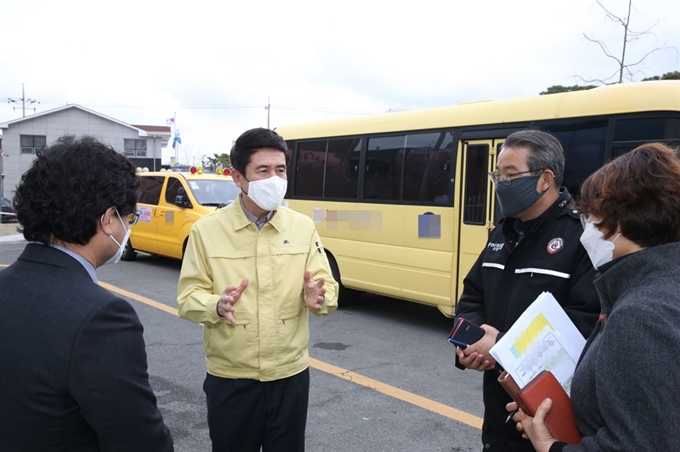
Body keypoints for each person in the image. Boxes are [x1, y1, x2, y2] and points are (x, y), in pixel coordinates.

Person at [0, 135, 173, 451]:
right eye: (128, 219)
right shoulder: (101, 317)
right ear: (109, 220)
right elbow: (139, 439)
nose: (127, 230)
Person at [509, 142, 680, 452]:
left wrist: (550, 446)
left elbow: (642, 443)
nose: (586, 228)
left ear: (621, 219)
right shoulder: (664, 285)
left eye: (590, 216)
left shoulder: (641, 315)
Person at [177, 127, 338, 452]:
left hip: (289, 376)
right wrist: (216, 305)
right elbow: (187, 299)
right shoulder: (206, 231)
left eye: (280, 170)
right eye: (262, 171)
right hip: (231, 379)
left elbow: (327, 287)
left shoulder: (302, 227)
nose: (274, 179)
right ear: (238, 177)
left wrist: (318, 297)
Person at [453, 129, 600, 452]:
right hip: (498, 411)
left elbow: (587, 325)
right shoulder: (501, 233)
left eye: (511, 174)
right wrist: (469, 344)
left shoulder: (582, 237)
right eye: (498, 174)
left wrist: (503, 346)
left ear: (545, 179)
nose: (500, 183)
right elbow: (472, 296)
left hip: (549, 418)